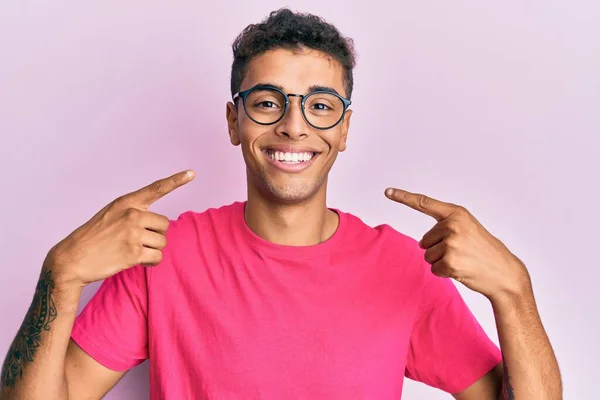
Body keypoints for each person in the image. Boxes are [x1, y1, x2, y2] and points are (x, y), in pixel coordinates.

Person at [0, 8, 561, 400]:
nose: (294, 126)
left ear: (343, 130)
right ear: (234, 121)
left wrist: (515, 290)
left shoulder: (402, 268)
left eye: (320, 106)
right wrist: (60, 276)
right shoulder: (161, 257)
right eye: (268, 102)